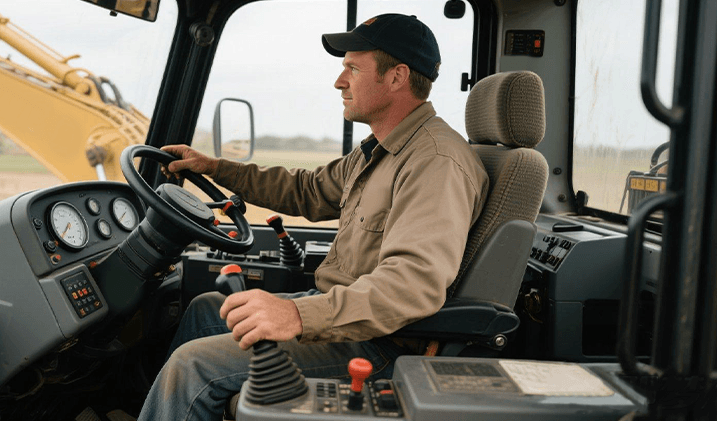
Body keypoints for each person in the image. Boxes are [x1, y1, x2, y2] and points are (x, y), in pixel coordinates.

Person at [138, 13, 489, 420]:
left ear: (397, 77)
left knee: (192, 366)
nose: (339, 82)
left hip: (378, 343)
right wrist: (215, 167)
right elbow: (305, 189)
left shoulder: (435, 162)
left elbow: (413, 286)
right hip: (341, 310)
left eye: (352, 69)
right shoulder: (379, 151)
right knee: (205, 309)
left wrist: (296, 316)